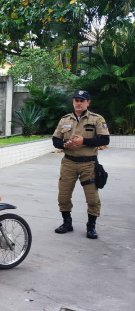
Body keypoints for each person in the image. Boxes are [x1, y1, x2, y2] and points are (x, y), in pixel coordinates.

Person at [52, 90, 110, 239]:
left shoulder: (97, 119)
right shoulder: (65, 120)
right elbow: (55, 140)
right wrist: (65, 144)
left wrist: (83, 141)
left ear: (88, 103)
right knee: (63, 196)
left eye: (82, 100)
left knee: (92, 198)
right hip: (69, 163)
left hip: (88, 164)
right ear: (73, 102)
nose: (78, 103)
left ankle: (91, 226)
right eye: (76, 100)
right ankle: (67, 223)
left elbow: (105, 140)